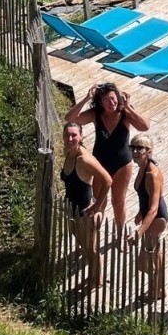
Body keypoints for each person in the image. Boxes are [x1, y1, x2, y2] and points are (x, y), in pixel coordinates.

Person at [64, 81, 149, 231]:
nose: (111, 103)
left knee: (118, 202)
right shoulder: (96, 114)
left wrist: (128, 106)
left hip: (122, 164)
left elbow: (145, 126)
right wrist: (85, 99)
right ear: (100, 102)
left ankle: (120, 234)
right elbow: (70, 119)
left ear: (118, 97)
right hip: (100, 163)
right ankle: (94, 233)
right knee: (99, 202)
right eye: (106, 100)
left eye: (113, 98)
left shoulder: (125, 113)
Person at [60, 120, 112, 291]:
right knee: (85, 246)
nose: (69, 138)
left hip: (84, 213)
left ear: (81, 136)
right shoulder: (69, 153)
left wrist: (96, 207)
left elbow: (107, 180)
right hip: (72, 210)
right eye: (67, 135)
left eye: (73, 135)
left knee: (92, 250)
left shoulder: (84, 159)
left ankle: (96, 280)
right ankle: (94, 277)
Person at [127, 132, 168, 301]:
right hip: (149, 215)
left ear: (149, 152)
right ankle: (157, 288)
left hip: (156, 218)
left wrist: (139, 232)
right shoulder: (142, 168)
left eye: (140, 148)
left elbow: (153, 208)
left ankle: (157, 289)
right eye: (133, 147)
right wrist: (139, 212)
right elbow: (145, 196)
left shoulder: (152, 174)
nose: (135, 151)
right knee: (150, 255)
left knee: (148, 258)